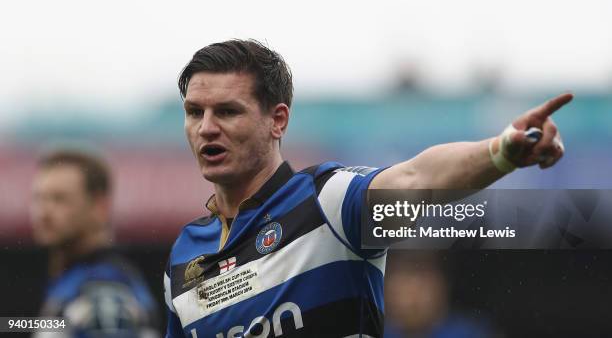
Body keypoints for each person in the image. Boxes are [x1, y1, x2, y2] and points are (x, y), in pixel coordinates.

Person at [164, 39, 571, 338]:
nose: (206, 127)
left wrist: (502, 151)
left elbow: (418, 178)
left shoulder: (330, 205)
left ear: (278, 121)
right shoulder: (184, 255)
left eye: (228, 111)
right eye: (194, 112)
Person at [30, 149, 160, 338]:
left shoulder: (104, 290)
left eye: (59, 199)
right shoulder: (75, 281)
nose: (43, 212)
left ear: (100, 207)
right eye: (39, 198)